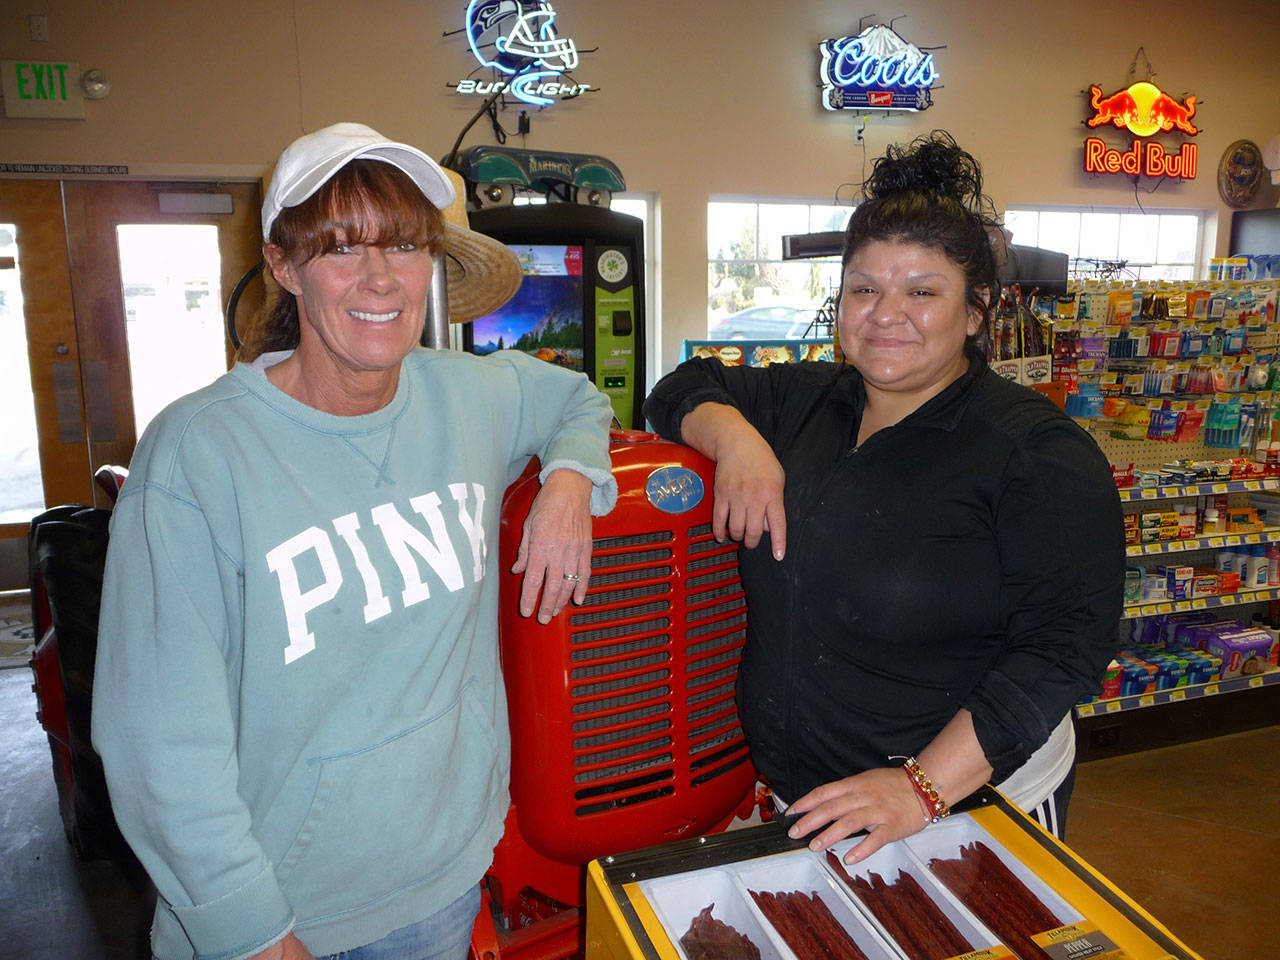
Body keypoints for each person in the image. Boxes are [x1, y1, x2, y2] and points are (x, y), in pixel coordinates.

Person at [92, 122, 617, 960]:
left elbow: (578, 399)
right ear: (286, 267)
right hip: (277, 919)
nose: (381, 277)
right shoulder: (198, 456)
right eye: (342, 249)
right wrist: (254, 931)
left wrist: (570, 482)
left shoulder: (470, 393)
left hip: (443, 882)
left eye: (405, 245)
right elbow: (159, 751)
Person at [643, 132, 1123, 864]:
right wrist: (734, 438)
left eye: (922, 291)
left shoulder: (1035, 453)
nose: (885, 312)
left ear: (975, 310)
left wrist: (920, 788)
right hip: (809, 804)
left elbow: (1060, 654)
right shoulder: (809, 399)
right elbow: (679, 387)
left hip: (968, 814)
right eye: (865, 288)